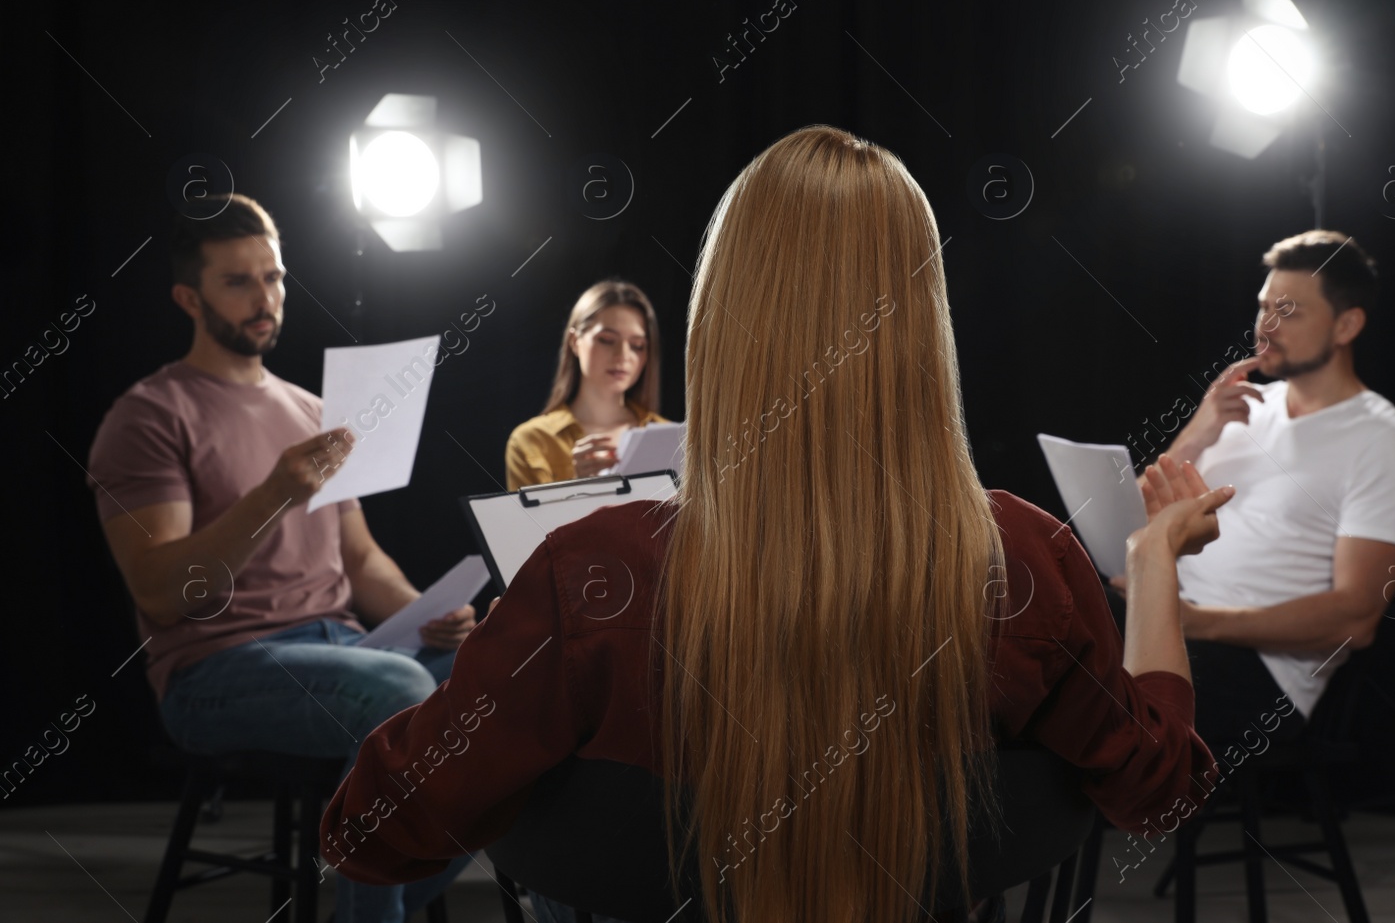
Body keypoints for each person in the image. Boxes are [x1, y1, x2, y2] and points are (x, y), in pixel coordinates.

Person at [322, 126, 1225, 923]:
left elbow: (371, 831)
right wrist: (1152, 566)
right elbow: (1159, 789)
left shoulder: (589, 576)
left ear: (722, 324)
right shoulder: (1026, 562)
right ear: (923, 328)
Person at [85, 194, 477, 923]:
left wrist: (431, 611)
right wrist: (273, 493)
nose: (264, 298)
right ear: (188, 297)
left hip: (344, 649)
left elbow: (360, 561)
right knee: (395, 688)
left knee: (504, 685)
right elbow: (166, 593)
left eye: (274, 277)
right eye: (239, 281)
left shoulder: (310, 410)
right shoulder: (148, 415)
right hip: (216, 670)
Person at [1113, 230, 1395, 748]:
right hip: (1171, 621)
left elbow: (1356, 618)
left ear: (1347, 324)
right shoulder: (1239, 407)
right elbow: (1129, 527)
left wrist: (1193, 621)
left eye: (1290, 311)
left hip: (1260, 678)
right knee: (1027, 628)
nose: (1266, 325)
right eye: (1264, 307)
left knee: (1065, 681)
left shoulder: (1384, 441)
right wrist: (1197, 431)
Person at [504, 279, 672, 489]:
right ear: (575, 342)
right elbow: (528, 523)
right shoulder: (532, 441)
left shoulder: (671, 438)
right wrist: (579, 488)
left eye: (637, 346)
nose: (623, 356)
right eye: (607, 340)